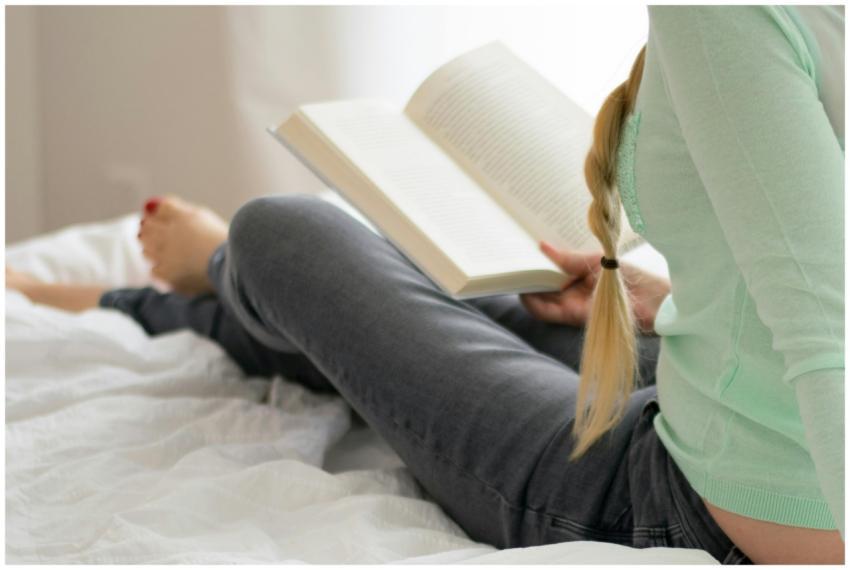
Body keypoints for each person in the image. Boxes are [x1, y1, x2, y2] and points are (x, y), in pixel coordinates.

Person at [7, 5, 844, 564]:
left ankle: (191, 282)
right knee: (459, 297)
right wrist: (670, 303)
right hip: (742, 412)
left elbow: (827, 336)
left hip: (694, 495)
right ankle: (169, 298)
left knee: (284, 235)